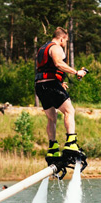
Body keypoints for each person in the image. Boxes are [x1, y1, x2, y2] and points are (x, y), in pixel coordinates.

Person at [34, 27, 87, 162]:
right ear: (62, 38)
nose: (65, 44)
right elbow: (58, 63)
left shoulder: (42, 48)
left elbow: (47, 67)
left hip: (40, 86)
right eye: (65, 41)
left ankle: (53, 148)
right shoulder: (56, 47)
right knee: (69, 111)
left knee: (52, 117)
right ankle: (71, 143)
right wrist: (76, 72)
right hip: (51, 85)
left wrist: (59, 82)